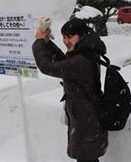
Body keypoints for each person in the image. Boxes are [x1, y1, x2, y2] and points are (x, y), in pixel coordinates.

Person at [32, 18, 108, 162]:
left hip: (87, 125)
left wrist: (39, 42)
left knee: (86, 158)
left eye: (70, 37)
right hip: (88, 122)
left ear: (82, 36)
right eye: (64, 37)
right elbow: (64, 61)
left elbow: (47, 67)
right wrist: (47, 42)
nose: (66, 41)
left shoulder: (81, 61)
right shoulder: (85, 53)